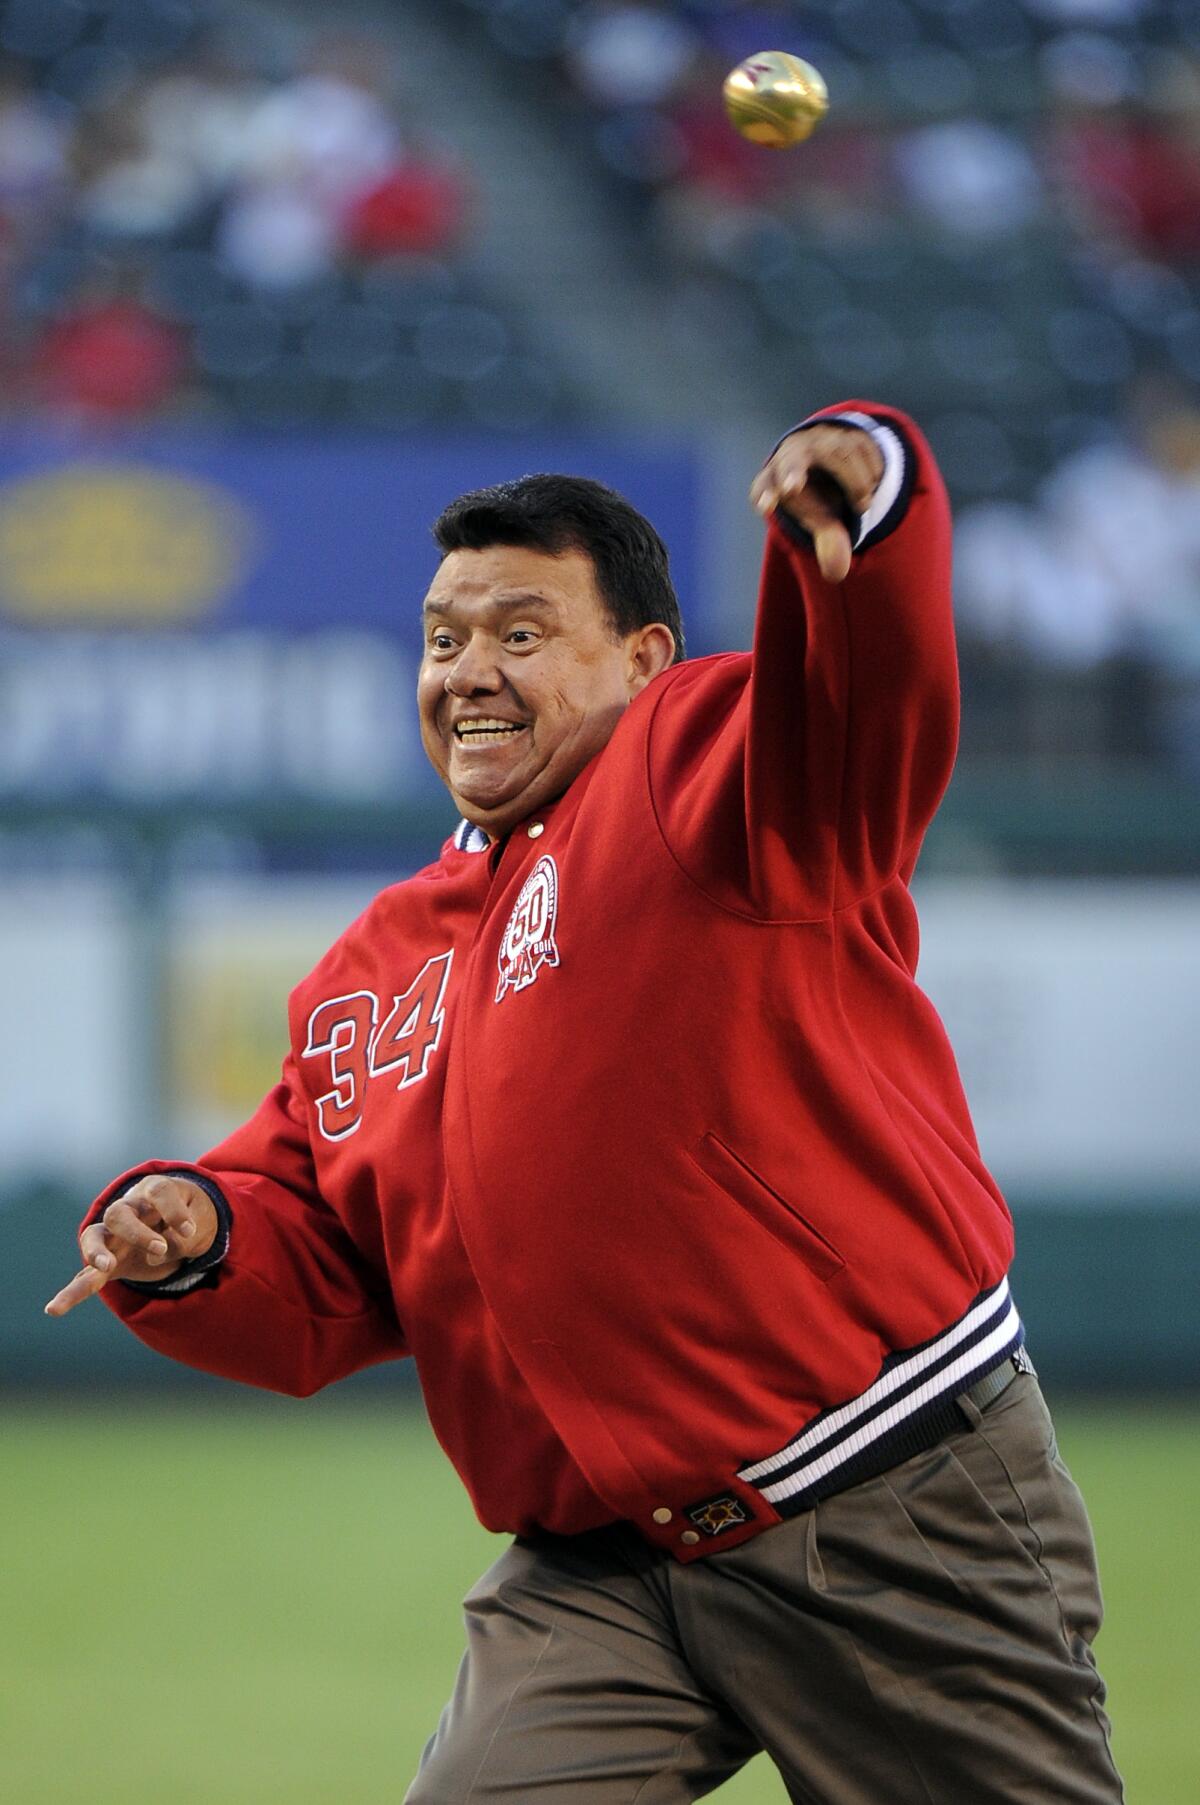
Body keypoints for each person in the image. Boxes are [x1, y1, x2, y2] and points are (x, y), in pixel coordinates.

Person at [47, 402, 1124, 1804]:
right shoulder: (376, 962)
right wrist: (197, 1237)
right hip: (598, 1571)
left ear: (644, 658)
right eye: (443, 640)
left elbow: (868, 704)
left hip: (887, 1500)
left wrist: (868, 496)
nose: (469, 673)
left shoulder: (713, 776)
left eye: (519, 632)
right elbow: (322, 1259)